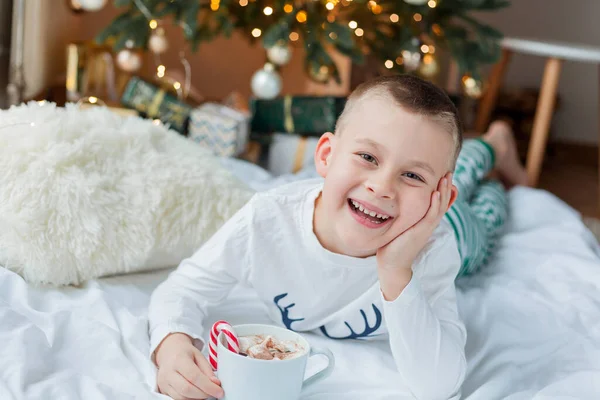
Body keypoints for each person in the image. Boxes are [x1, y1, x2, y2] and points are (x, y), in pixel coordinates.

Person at [147, 74, 528, 400]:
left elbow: (439, 386)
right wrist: (172, 344)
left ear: (436, 199)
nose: (382, 187)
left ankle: (495, 145)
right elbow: (182, 288)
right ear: (327, 155)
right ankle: (492, 144)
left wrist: (396, 271)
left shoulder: (435, 248)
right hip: (417, 211)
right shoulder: (267, 219)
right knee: (463, 172)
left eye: (413, 176)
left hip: (455, 227)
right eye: (368, 157)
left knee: (486, 213)